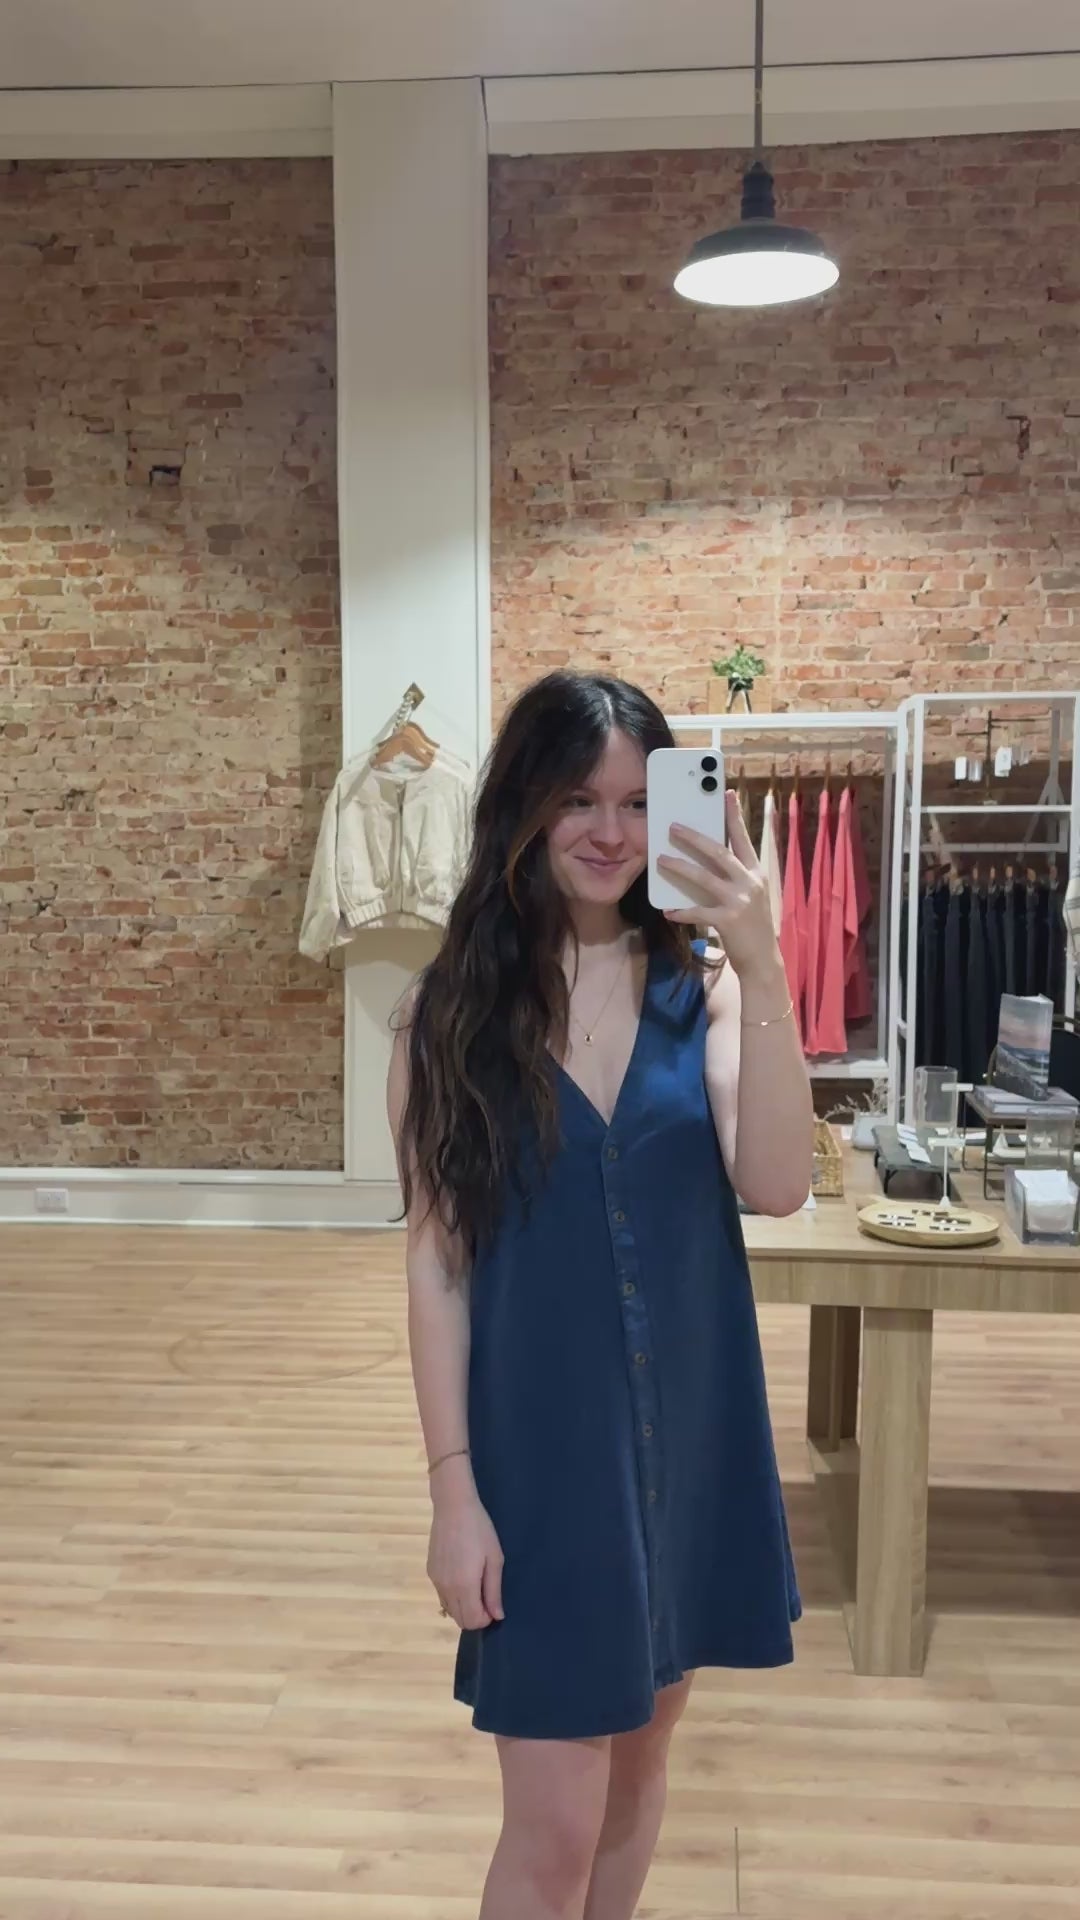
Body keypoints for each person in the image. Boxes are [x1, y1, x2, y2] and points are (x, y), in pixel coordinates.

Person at [387, 671, 814, 1920]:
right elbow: (436, 1265)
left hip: (689, 1449)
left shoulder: (708, 994)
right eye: (579, 798)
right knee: (553, 1825)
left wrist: (764, 963)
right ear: (525, 804)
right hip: (541, 1465)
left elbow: (779, 1184)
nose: (611, 831)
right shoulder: (444, 1018)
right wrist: (453, 1494)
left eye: (638, 801)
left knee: (634, 1783)